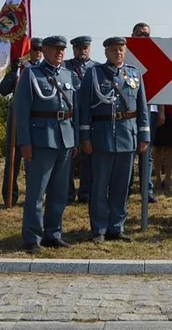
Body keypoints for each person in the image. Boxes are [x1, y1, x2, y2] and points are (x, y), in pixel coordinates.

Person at [78, 37, 149, 242]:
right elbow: (84, 108)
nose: (118, 53)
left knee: (122, 186)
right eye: (114, 50)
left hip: (127, 135)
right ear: (106, 52)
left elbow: (142, 106)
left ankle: (116, 227)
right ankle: (99, 229)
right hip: (102, 135)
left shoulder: (134, 73)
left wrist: (144, 135)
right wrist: (85, 137)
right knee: (99, 186)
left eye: (121, 49)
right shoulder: (94, 73)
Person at [15, 36, 79, 253]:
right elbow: (22, 111)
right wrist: (24, 141)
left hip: (65, 138)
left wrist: (75, 139)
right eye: (55, 49)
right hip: (41, 139)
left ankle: (53, 233)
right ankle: (32, 237)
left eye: (62, 49)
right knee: (36, 192)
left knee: (60, 192)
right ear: (46, 50)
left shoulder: (68, 74)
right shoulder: (31, 74)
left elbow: (75, 111)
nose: (60, 52)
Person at [0, 36, 42, 206]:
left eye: (40, 49)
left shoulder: (46, 70)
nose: (37, 53)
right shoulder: (19, 68)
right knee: (13, 158)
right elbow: (3, 91)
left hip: (38, 118)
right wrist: (13, 72)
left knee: (35, 159)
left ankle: (33, 196)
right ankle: (10, 195)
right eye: (33, 49)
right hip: (18, 116)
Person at [64, 36, 97, 204]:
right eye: (79, 48)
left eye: (86, 47)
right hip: (71, 117)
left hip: (91, 118)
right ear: (73, 49)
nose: (82, 51)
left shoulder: (97, 68)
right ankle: (68, 193)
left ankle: (86, 193)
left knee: (89, 157)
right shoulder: (65, 67)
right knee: (69, 156)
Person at [129, 22, 159, 204]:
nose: (143, 37)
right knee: (129, 153)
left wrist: (161, 110)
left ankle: (146, 190)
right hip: (130, 114)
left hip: (152, 111)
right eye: (139, 34)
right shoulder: (125, 54)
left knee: (146, 153)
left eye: (146, 34)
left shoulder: (156, 55)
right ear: (132, 34)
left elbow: (163, 87)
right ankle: (126, 188)